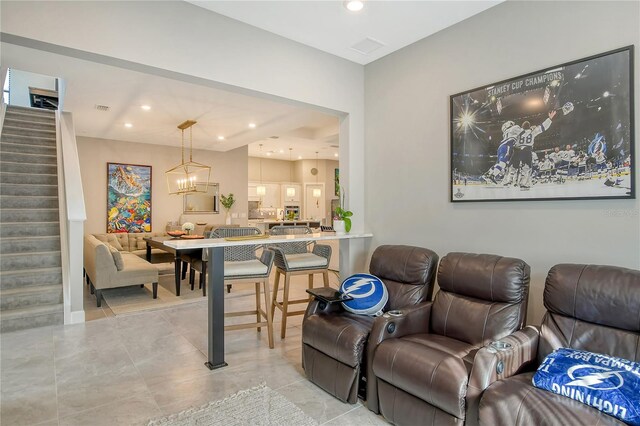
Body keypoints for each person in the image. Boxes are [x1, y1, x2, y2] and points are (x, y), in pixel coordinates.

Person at [506, 110, 556, 190]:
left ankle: (508, 182)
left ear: (522, 126)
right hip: (527, 150)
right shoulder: (532, 131)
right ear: (529, 127)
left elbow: (510, 135)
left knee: (512, 166)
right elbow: (543, 127)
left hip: (517, 150)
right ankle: (523, 184)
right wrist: (550, 118)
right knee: (526, 168)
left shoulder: (518, 131)